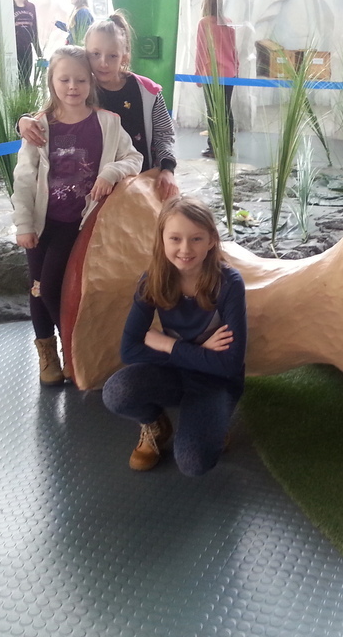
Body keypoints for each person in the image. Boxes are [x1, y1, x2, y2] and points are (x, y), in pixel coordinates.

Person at [12, 45, 143, 386]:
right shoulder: (39, 127)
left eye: (81, 80)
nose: (73, 87)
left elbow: (134, 158)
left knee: (51, 287)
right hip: (42, 223)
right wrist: (24, 224)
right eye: (65, 79)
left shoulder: (107, 123)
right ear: (52, 81)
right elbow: (24, 178)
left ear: (91, 82)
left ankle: (73, 350)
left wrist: (111, 171)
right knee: (38, 287)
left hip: (79, 224)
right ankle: (49, 354)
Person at [102, 195, 247, 475]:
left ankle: (212, 425)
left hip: (215, 381)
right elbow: (129, 350)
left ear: (211, 240)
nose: (185, 249)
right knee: (116, 393)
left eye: (196, 239)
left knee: (194, 463)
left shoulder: (229, 283)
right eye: (175, 239)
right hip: (176, 373)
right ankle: (155, 424)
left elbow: (230, 365)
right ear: (162, 240)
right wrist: (199, 350)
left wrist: (168, 344)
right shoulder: (152, 280)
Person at [18, 10, 179, 200]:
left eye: (112, 56)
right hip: (94, 192)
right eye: (95, 54)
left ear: (124, 57)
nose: (103, 63)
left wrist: (167, 169)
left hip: (139, 185)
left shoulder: (147, 91)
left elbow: (164, 134)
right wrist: (23, 121)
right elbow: (53, 112)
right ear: (85, 54)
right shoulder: (78, 88)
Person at [194, 0, 239, 158]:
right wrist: (236, 70)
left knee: (212, 111)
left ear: (206, 3)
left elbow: (201, 51)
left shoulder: (204, 23)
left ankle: (213, 147)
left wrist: (198, 75)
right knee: (226, 109)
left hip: (211, 74)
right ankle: (228, 146)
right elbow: (234, 50)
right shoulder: (229, 23)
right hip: (229, 72)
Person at [12, 0, 39, 85]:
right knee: (15, 80)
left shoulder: (30, 7)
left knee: (26, 79)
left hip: (27, 49)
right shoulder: (9, 5)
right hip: (13, 50)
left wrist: (38, 51)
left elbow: (34, 29)